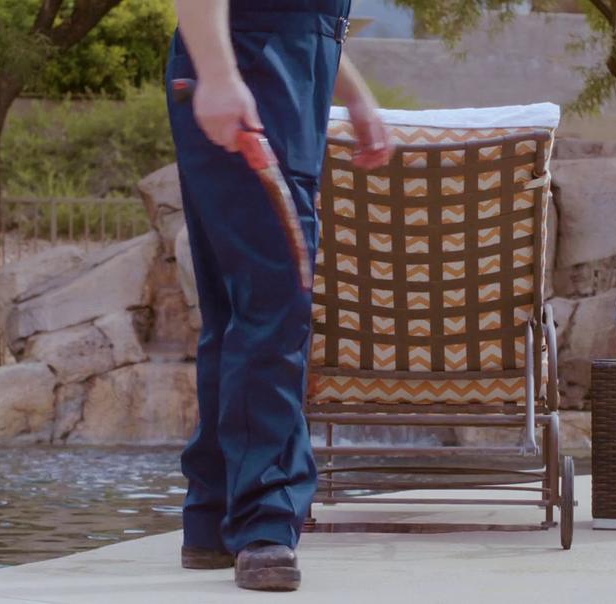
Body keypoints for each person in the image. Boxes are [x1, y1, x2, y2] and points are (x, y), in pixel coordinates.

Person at [165, 0, 392, 593]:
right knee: (275, 303)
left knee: (240, 305)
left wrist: (353, 92)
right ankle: (264, 522)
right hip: (252, 67)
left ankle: (215, 516)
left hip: (278, 66)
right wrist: (219, 74)